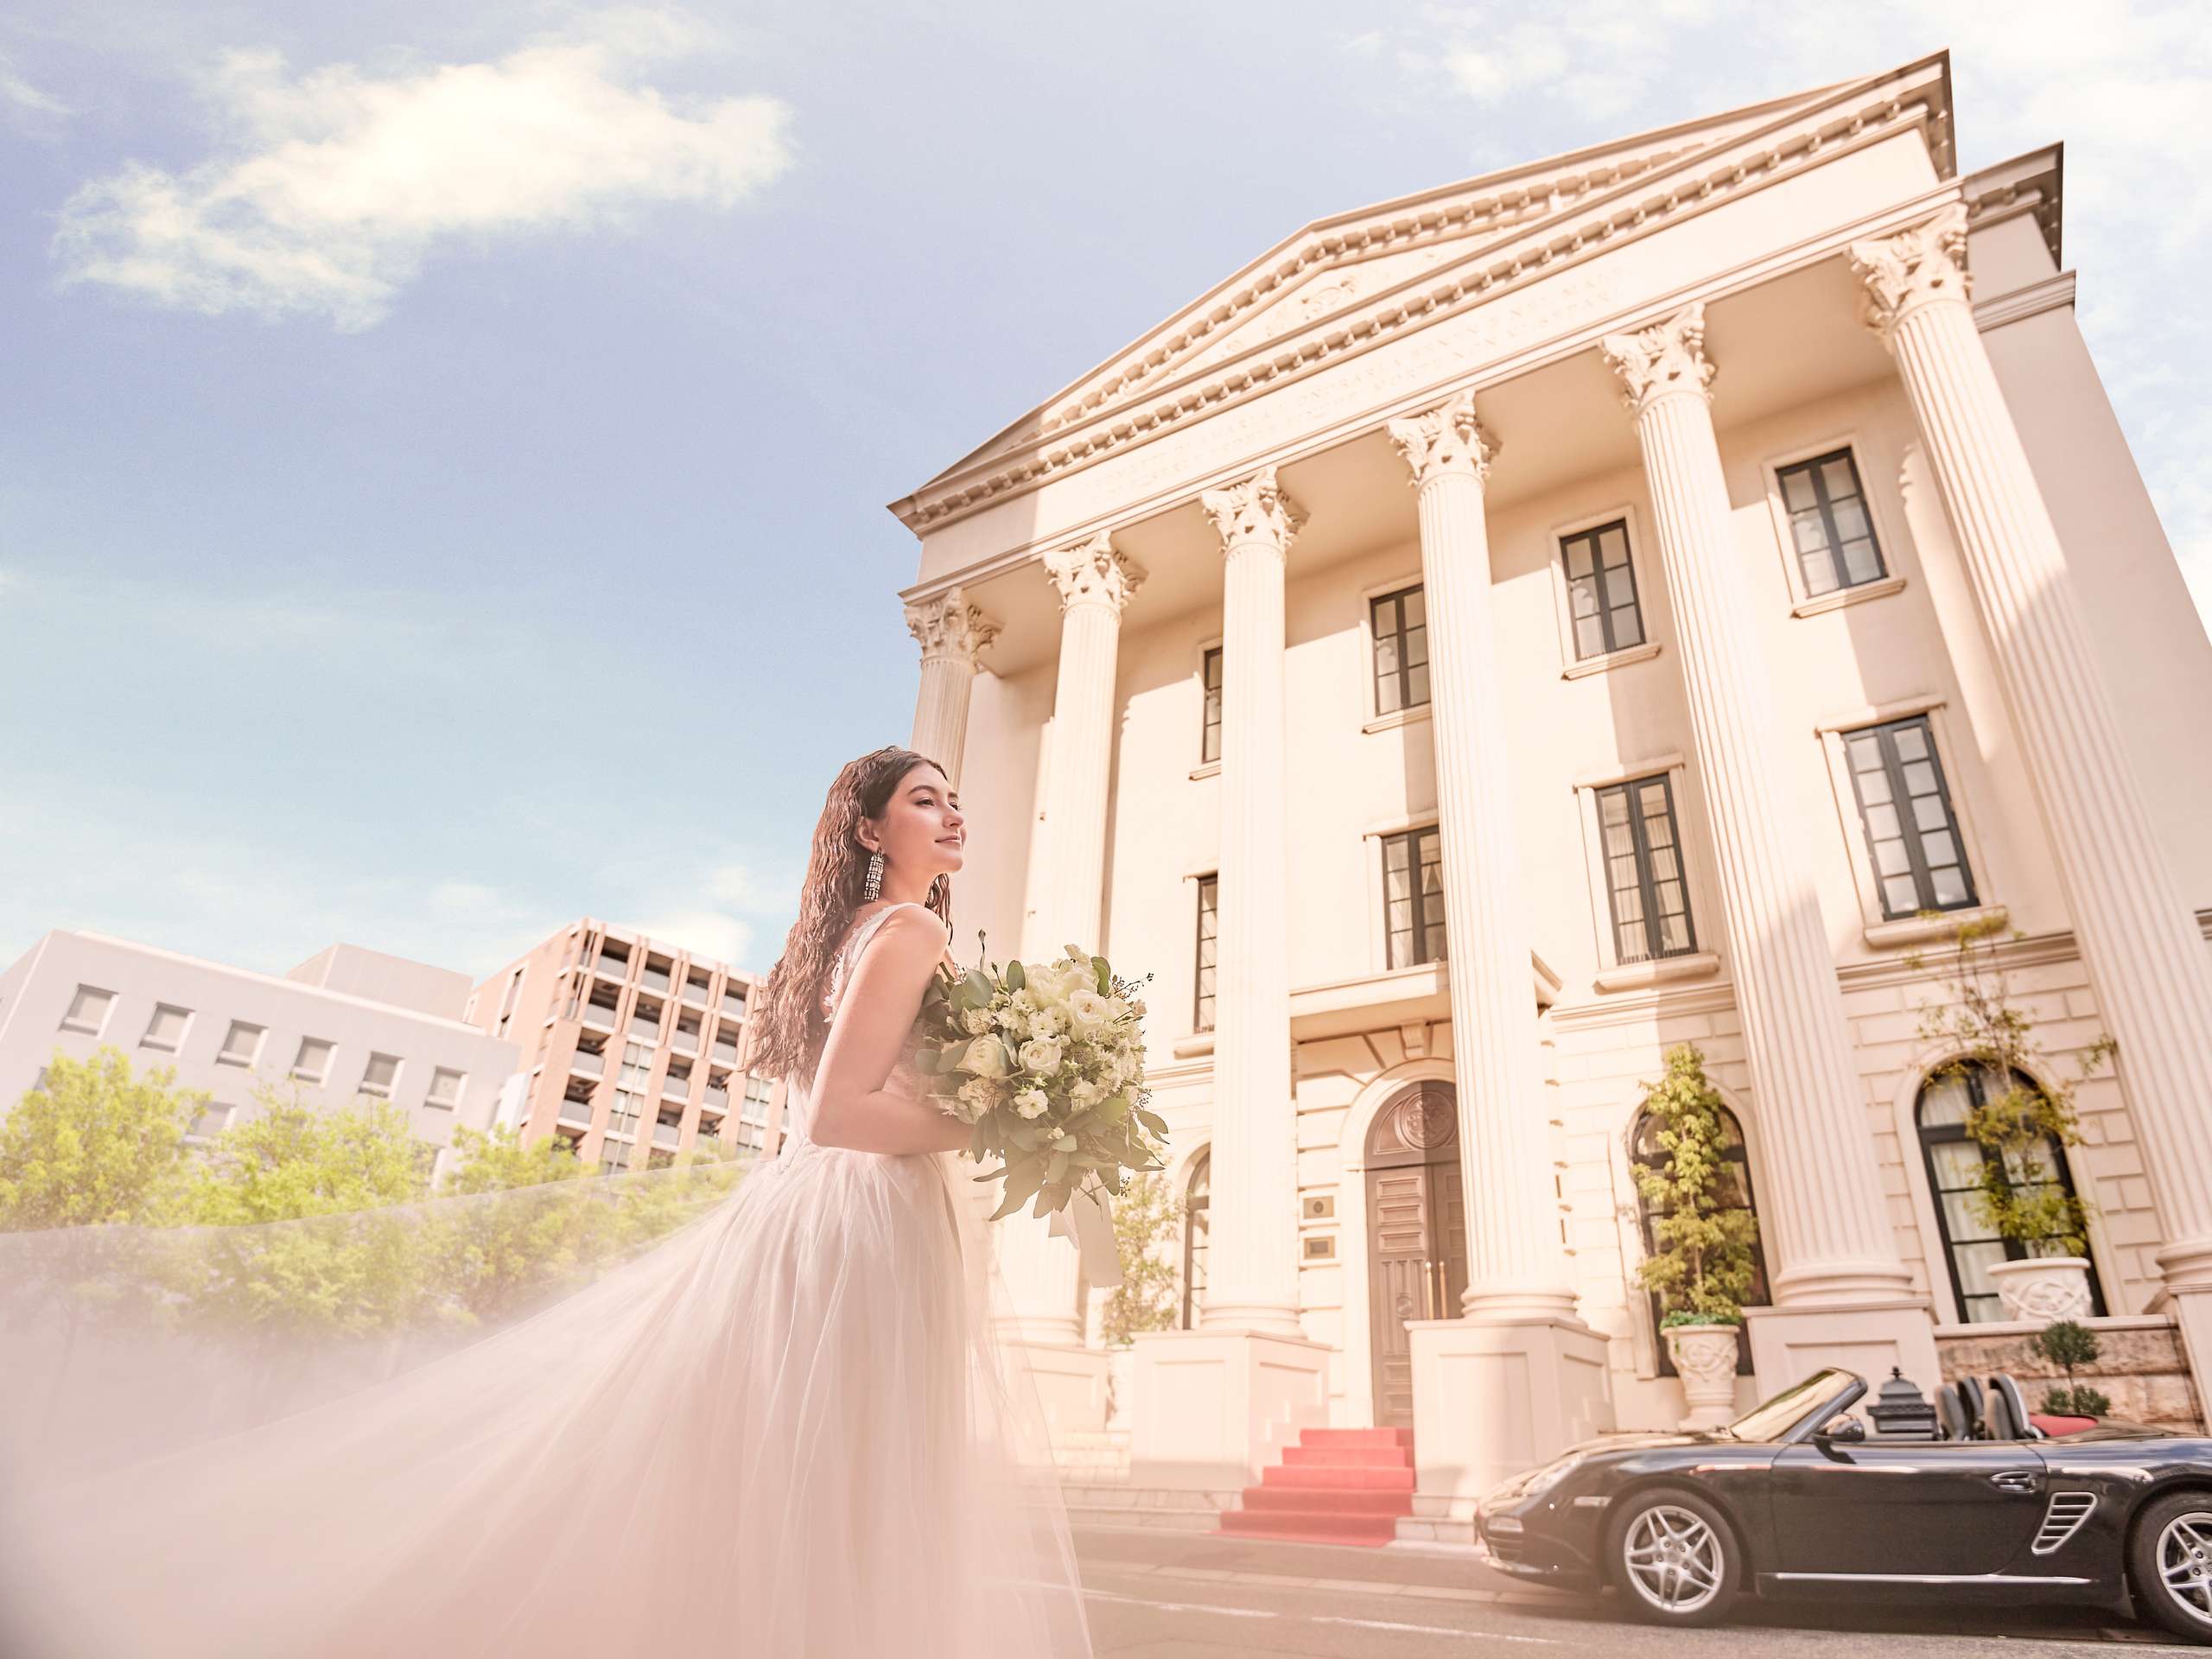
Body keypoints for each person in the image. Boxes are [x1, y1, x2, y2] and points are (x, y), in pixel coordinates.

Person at [0, 745, 1094, 1659]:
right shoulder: (910, 933)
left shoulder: (840, 943)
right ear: (867, 833)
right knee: (857, 1479)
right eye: (923, 799)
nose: (952, 812)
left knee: (790, 1474)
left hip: (812, 1218)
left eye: (955, 798)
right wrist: (997, 1119)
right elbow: (840, 1114)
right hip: (862, 1215)